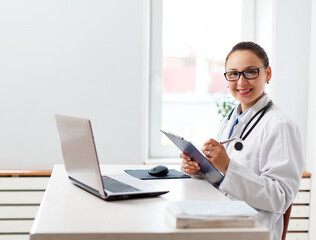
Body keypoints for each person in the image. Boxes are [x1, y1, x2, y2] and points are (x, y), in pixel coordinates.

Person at [180, 41, 304, 240]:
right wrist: (199, 168)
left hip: (253, 231)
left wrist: (228, 167)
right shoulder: (230, 119)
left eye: (250, 72)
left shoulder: (281, 126)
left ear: (268, 74)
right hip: (223, 222)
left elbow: (281, 197)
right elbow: (222, 178)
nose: (241, 82)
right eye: (233, 73)